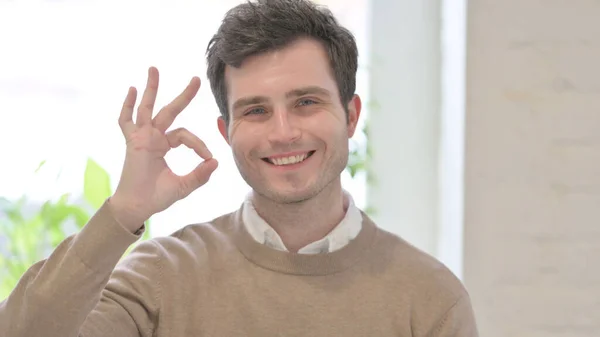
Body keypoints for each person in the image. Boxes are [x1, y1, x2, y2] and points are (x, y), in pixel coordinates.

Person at [0, 0, 478, 336]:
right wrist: (122, 212)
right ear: (226, 131)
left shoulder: (429, 297)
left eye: (306, 102)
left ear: (351, 115)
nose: (283, 132)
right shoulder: (159, 277)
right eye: (255, 111)